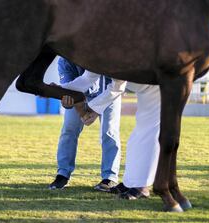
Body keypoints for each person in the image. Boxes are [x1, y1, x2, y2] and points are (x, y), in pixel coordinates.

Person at [60, 71, 161, 199]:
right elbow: (88, 78)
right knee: (135, 138)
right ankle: (131, 182)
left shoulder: (113, 54)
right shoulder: (96, 56)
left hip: (157, 85)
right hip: (144, 87)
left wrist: (93, 109)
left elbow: (117, 87)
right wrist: (55, 89)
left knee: (147, 133)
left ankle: (144, 186)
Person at [48, 57, 122, 192]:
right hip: (79, 95)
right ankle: (62, 174)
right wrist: (81, 112)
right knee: (69, 130)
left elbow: (115, 87)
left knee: (109, 132)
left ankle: (109, 177)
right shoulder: (64, 60)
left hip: (109, 92)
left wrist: (93, 110)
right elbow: (70, 91)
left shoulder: (102, 54)